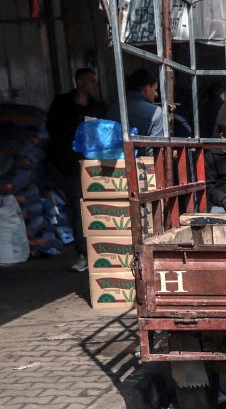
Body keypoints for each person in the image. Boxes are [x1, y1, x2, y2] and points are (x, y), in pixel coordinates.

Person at [45, 67, 101, 273]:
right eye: (92, 82)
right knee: (78, 209)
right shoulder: (61, 104)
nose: (95, 87)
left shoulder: (97, 108)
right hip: (67, 166)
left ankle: (97, 252)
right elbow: (52, 131)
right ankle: (83, 253)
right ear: (80, 83)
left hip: (91, 165)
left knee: (93, 207)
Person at [112, 67, 166, 140]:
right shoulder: (156, 112)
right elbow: (156, 148)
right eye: (155, 89)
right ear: (147, 88)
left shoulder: (113, 107)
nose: (156, 94)